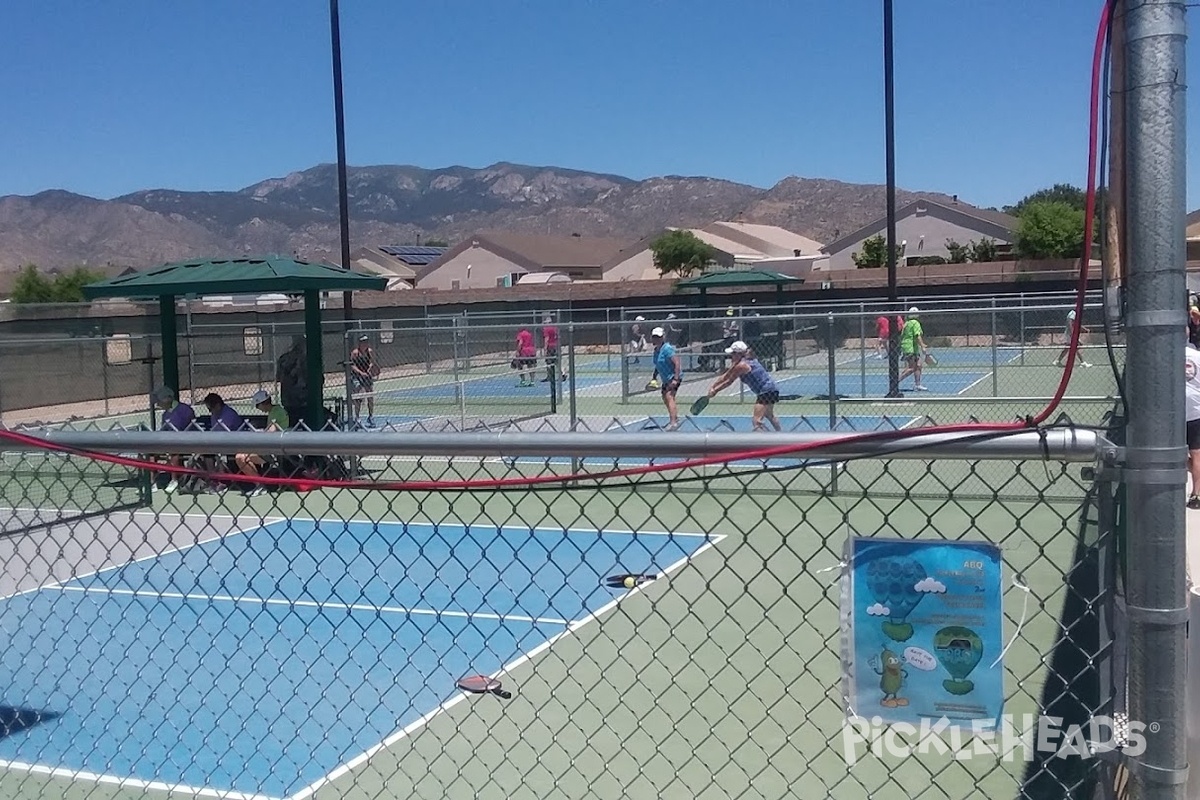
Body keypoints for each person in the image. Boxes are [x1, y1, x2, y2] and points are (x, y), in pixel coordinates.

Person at [705, 341, 782, 432]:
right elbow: (725, 376)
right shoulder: (742, 362)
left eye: (733, 353)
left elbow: (729, 381)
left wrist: (715, 391)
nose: (731, 356)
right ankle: (781, 435)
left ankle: (763, 441)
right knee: (769, 415)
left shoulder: (742, 366)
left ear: (739, 354)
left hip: (766, 391)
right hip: (771, 389)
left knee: (756, 421)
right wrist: (713, 387)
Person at [234, 390, 290, 497]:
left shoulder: (276, 411)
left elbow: (270, 432)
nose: (258, 408)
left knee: (241, 458)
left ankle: (260, 486)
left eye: (257, 406)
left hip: (274, 450)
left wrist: (259, 433)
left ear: (263, 403)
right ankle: (259, 485)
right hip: (268, 448)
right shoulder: (274, 411)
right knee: (240, 456)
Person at [150, 386, 195, 493]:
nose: (158, 404)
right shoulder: (165, 414)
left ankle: (174, 480)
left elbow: (182, 430)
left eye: (160, 401)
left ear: (168, 399)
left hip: (186, 441)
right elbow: (164, 430)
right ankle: (152, 482)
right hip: (168, 441)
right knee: (150, 452)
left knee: (173, 450)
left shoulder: (185, 410)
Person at [651, 327, 682, 430]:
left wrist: (675, 379)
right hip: (665, 379)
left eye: (658, 337)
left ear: (663, 337)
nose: (656, 339)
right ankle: (675, 418)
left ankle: (673, 423)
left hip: (673, 377)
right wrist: (654, 377)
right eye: (654, 337)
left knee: (669, 397)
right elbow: (658, 365)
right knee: (665, 397)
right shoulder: (656, 350)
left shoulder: (667, 348)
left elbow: (677, 362)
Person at [277, 335, 308, 428]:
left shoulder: (284, 358)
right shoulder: (306, 360)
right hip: (301, 400)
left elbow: (278, 377)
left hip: (290, 400)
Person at [349, 334, 379, 427]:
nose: (365, 343)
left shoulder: (369, 351)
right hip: (357, 376)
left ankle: (370, 416)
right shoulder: (355, 353)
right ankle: (357, 418)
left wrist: (370, 368)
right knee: (359, 397)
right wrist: (360, 373)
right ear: (359, 343)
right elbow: (352, 365)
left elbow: (372, 362)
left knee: (370, 395)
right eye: (363, 341)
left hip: (367, 376)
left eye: (366, 341)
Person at [897, 307, 929, 392]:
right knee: (912, 367)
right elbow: (917, 335)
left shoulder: (907, 323)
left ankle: (917, 384)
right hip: (910, 348)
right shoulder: (915, 323)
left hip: (909, 347)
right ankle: (895, 382)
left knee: (918, 365)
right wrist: (922, 346)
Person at [1187, 327, 1200, 509]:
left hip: (1173, 414)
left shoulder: (1166, 354)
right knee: (1195, 455)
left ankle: (1197, 492)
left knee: (1194, 455)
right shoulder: (1197, 355)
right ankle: (1196, 492)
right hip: (1194, 411)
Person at [540, 315, 567, 383]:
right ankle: (563, 374)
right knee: (557, 362)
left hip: (550, 347)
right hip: (556, 346)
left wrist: (545, 348)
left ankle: (550, 376)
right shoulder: (555, 328)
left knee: (549, 362)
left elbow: (547, 338)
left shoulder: (546, 329)